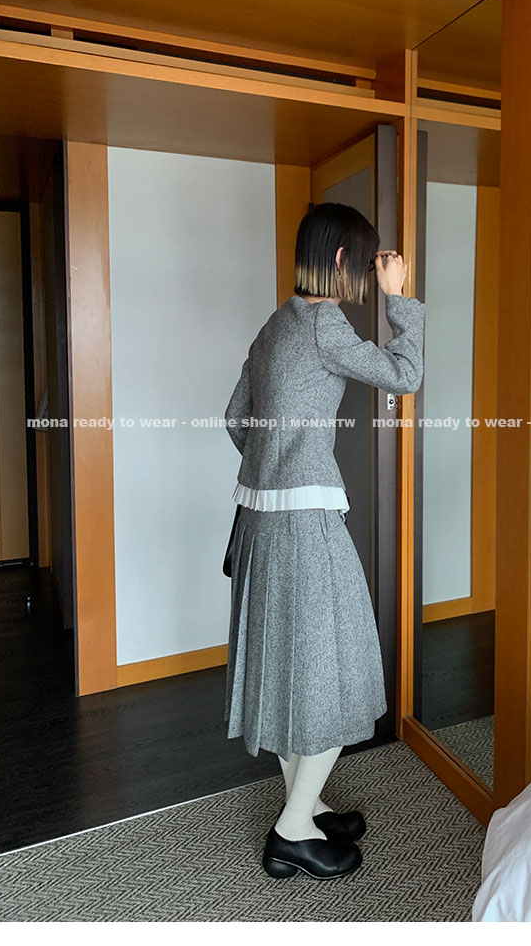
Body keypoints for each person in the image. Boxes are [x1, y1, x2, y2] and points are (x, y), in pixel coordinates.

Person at [223, 201, 425, 880]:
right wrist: (400, 300)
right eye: (366, 266)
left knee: (292, 665)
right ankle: (290, 833)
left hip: (259, 523)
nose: (368, 279)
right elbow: (404, 376)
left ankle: (304, 808)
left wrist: (274, 466)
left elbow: (235, 418)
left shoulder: (276, 323)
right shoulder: (323, 323)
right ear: (340, 259)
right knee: (336, 666)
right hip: (305, 525)